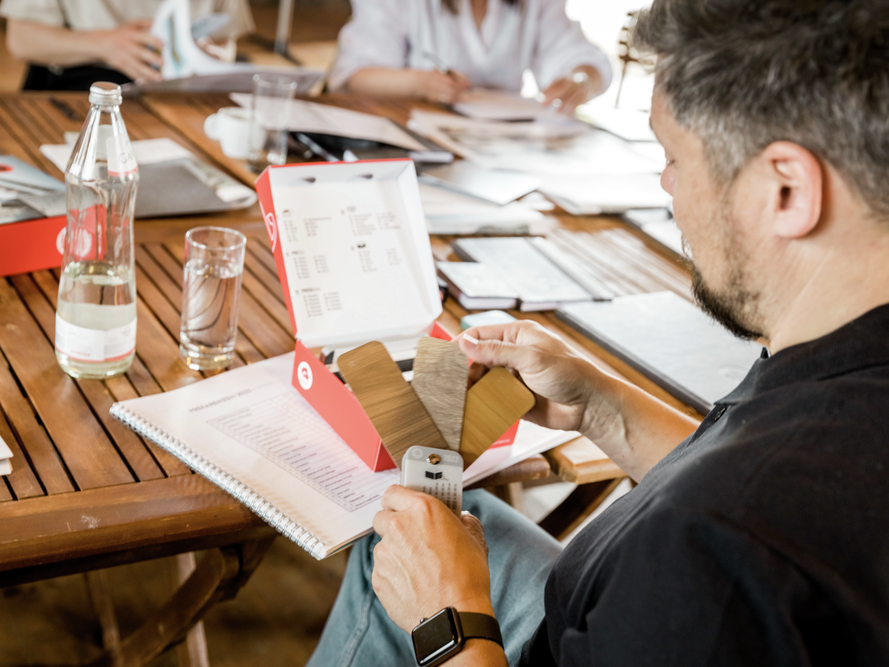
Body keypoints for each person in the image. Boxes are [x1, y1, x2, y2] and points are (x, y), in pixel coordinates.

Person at [308, 0, 889, 664]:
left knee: (398, 553)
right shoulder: (838, 360)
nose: (666, 184)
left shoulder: (713, 547)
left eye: (672, 157)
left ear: (785, 190)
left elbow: (729, 528)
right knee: (435, 526)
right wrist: (600, 406)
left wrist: (449, 617)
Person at [328, 0, 612, 114]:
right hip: (411, 144)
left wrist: (581, 79)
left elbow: (581, 57)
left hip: (501, 150)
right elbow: (354, 75)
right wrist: (420, 82)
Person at [0, 0, 254, 90]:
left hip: (180, 88)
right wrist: (104, 44)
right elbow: (20, 39)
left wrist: (212, 55)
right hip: (80, 81)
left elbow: (226, 40)